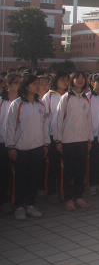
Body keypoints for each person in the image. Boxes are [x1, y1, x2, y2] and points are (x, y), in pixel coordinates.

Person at [4, 75, 49, 220]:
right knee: (20, 178)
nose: (37, 86)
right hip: (21, 149)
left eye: (38, 83)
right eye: (34, 83)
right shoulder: (17, 104)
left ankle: (30, 204)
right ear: (26, 86)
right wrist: (11, 146)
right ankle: (18, 206)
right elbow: (10, 126)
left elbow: (45, 126)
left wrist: (45, 143)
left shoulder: (41, 104)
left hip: (37, 147)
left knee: (33, 177)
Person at [55, 71, 93, 212]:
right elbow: (58, 119)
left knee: (80, 171)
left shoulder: (85, 99)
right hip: (68, 141)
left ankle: (79, 196)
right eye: (77, 78)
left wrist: (89, 139)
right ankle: (68, 198)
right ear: (72, 80)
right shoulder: (65, 98)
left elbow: (89, 120)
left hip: (82, 140)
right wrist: (58, 140)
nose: (81, 80)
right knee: (68, 172)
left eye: (83, 78)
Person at [41, 71, 69, 204]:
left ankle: (65, 191)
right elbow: (45, 119)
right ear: (55, 81)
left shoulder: (69, 96)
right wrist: (46, 139)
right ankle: (52, 192)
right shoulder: (49, 97)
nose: (65, 83)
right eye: (62, 80)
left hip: (68, 136)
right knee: (54, 166)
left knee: (66, 167)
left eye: (67, 80)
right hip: (53, 137)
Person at [0, 73, 21, 214]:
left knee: (17, 174)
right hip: (3, 144)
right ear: (7, 85)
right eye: (16, 82)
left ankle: (17, 201)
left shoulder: (22, 102)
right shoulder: (2, 102)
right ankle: (4, 200)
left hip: (19, 144)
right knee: (3, 174)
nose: (19, 85)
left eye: (20, 82)